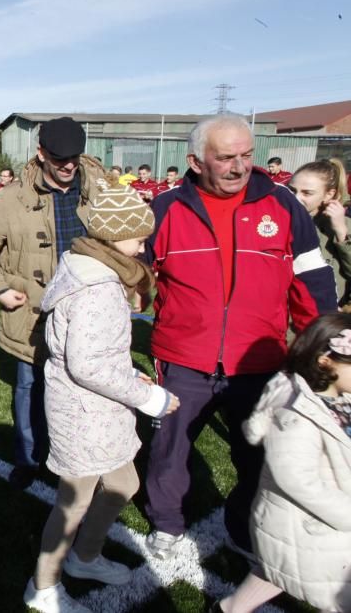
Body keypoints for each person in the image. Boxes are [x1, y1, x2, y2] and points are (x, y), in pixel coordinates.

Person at [143, 114, 338, 561]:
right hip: (184, 358)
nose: (239, 166)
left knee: (257, 456)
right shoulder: (165, 208)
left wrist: (320, 346)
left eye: (246, 155)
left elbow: (312, 281)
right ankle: (167, 524)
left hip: (260, 360)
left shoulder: (283, 206)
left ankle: (244, 527)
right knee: (170, 450)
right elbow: (135, 273)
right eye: (226, 157)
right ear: (195, 161)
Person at [24, 183, 179, 613]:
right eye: (139, 236)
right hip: (83, 412)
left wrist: (131, 378)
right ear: (113, 236)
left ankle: (84, 557)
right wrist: (149, 398)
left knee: (124, 483)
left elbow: (97, 354)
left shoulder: (92, 267)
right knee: (73, 502)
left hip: (101, 407)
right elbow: (88, 365)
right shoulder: (98, 287)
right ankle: (43, 586)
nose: (144, 245)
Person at [0, 116, 106, 489]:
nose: (68, 166)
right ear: (41, 153)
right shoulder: (12, 198)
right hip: (33, 317)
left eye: (74, 158)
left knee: (86, 391)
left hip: (87, 316)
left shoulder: (99, 189)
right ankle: (29, 459)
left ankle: (79, 456)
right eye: (59, 158)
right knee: (30, 389)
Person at [213, 313, 351, 613]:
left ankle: (231, 608)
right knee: (325, 583)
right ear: (326, 362)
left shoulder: (337, 396)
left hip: (309, 525)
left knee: (282, 566)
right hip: (312, 523)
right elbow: (294, 478)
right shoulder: (296, 414)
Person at [288, 159, 351, 307]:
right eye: (292, 190)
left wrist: (342, 234)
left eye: (307, 193)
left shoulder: (344, 225)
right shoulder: (278, 220)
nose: (296, 198)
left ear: (329, 194)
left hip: (325, 319)